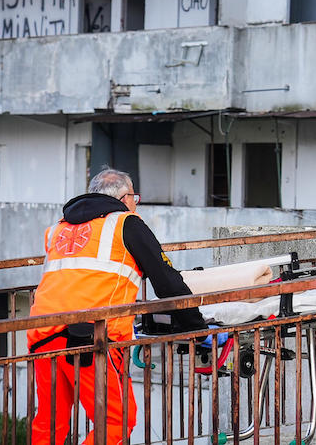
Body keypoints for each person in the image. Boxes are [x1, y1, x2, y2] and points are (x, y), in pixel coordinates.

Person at [28, 168, 206, 445]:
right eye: (135, 197)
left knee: (51, 422)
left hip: (42, 334)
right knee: (116, 421)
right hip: (91, 337)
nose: (136, 204)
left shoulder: (58, 229)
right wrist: (196, 327)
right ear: (124, 198)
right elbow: (166, 280)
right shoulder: (126, 223)